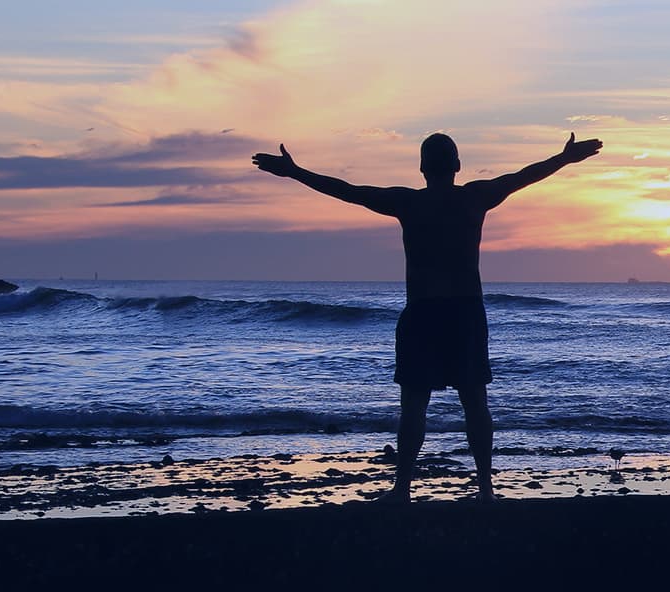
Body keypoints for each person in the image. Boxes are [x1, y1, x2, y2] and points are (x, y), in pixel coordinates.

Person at [252, 132, 603, 502]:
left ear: (421, 168)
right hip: (465, 311)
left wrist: (294, 172)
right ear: (457, 166)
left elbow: (346, 190)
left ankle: (403, 488)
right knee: (474, 402)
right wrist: (563, 158)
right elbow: (525, 175)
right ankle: (485, 489)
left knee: (415, 404)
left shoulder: (409, 202)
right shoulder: (474, 197)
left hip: (423, 311)